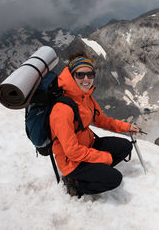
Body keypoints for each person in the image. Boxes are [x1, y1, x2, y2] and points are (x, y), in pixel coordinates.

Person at [49, 51, 139, 197]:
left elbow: (101, 120)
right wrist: (103, 157)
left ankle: (95, 170)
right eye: (80, 75)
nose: (86, 79)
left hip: (87, 145)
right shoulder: (62, 109)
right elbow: (72, 151)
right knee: (114, 179)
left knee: (125, 146)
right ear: (72, 76)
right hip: (71, 162)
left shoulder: (85, 97)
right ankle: (75, 183)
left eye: (90, 74)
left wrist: (126, 127)